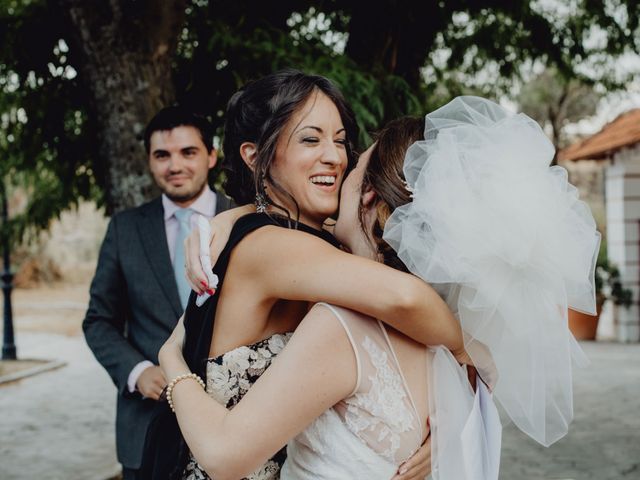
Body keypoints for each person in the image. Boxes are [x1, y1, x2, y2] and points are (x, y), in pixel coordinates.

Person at [174, 97, 599, 479]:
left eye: (348, 154)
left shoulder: (343, 322)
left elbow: (225, 456)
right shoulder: (438, 342)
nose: (338, 163)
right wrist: (235, 217)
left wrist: (169, 362)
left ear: (367, 194)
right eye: (312, 140)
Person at [145, 70, 465, 480]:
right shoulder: (274, 246)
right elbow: (405, 298)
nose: (335, 156)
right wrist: (463, 350)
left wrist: (441, 418)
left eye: (339, 140)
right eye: (310, 139)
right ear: (255, 156)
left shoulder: (314, 245)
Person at [83, 106, 233, 479]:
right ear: (150, 162)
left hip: (233, 422)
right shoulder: (125, 229)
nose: (174, 165)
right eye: (162, 155)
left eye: (188, 152)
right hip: (146, 429)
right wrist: (138, 371)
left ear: (211, 156)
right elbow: (98, 320)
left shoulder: (244, 221)